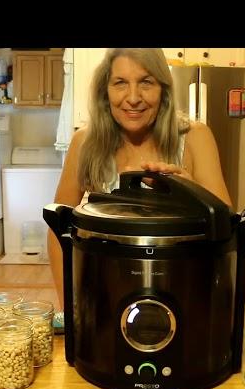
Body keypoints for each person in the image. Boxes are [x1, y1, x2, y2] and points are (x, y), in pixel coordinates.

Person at [48, 48, 231, 311]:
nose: (133, 98)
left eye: (146, 82)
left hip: (181, 298)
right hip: (103, 301)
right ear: (105, 91)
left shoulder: (194, 138)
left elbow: (228, 227)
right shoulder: (84, 143)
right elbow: (58, 229)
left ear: (163, 90)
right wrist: (70, 307)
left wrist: (191, 192)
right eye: (120, 83)